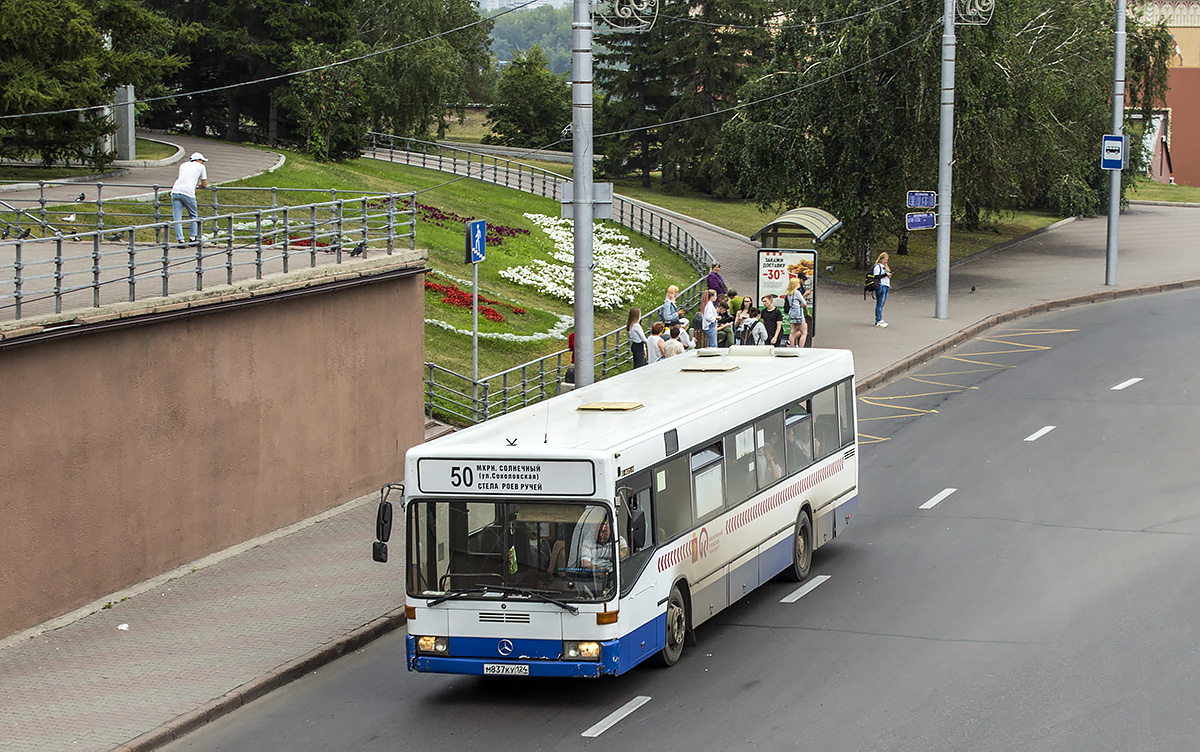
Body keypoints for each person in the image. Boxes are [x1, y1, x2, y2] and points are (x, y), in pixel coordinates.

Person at [171, 152, 209, 245]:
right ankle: (192, 237)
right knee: (193, 215)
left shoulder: (183, 165)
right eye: (202, 161)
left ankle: (180, 240)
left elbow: (185, 178)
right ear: (198, 160)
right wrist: (197, 186)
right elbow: (204, 184)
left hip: (176, 191)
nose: (203, 163)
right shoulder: (201, 167)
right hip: (188, 193)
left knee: (177, 217)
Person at [786, 276, 808, 348]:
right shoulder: (797, 292)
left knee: (792, 331)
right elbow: (804, 303)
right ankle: (801, 347)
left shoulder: (789, 293)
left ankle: (792, 346)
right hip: (798, 312)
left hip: (791, 312)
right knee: (804, 332)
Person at [872, 252, 892, 328]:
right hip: (881, 286)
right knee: (880, 303)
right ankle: (878, 320)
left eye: (887, 259)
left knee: (882, 303)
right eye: (885, 259)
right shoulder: (877, 266)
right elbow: (876, 276)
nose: (886, 261)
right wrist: (885, 275)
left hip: (886, 285)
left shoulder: (885, 267)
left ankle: (880, 318)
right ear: (881, 259)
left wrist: (888, 275)